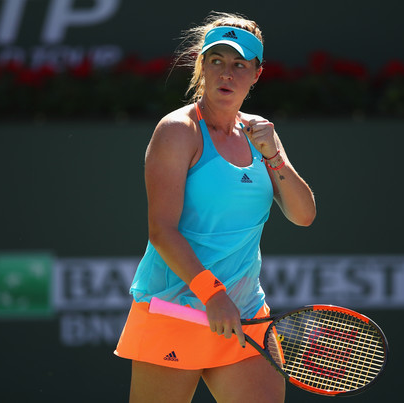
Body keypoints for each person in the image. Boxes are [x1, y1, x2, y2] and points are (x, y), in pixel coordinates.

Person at [115, 11, 316, 403]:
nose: (227, 73)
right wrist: (211, 295)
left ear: (256, 74)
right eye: (217, 61)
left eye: (240, 64)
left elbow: (303, 215)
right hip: (175, 309)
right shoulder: (177, 131)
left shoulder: (262, 134)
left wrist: (274, 156)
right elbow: (162, 230)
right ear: (201, 66)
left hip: (244, 314)